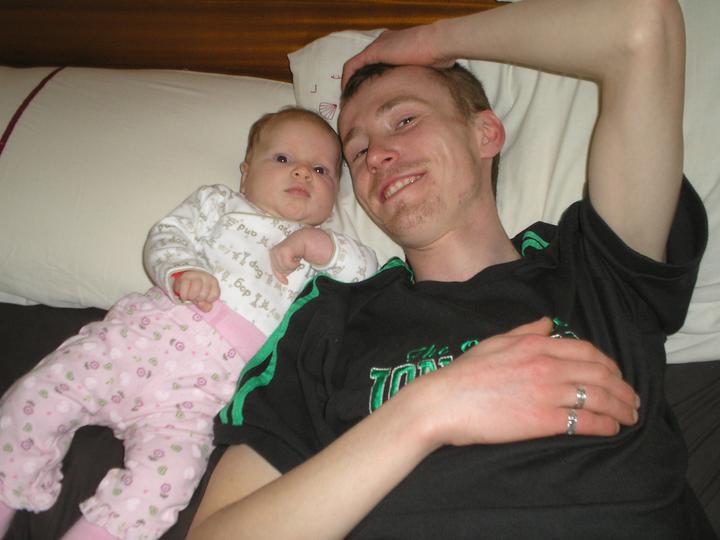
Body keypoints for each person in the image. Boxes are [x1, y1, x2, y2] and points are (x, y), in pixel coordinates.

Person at [187, 0, 717, 539]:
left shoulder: (592, 264)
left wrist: (430, 41)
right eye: (358, 149)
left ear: (486, 132)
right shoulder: (329, 319)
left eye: (405, 120)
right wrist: (428, 410)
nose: (377, 155)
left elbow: (642, 24)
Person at [0, 107, 378, 540]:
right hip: (135, 344)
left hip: (200, 395)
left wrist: (318, 245)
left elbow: (368, 273)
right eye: (282, 158)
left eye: (321, 170)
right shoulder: (220, 203)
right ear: (245, 173)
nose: (302, 172)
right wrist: (181, 271)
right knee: (34, 401)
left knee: (166, 481)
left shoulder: (323, 254)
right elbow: (167, 236)